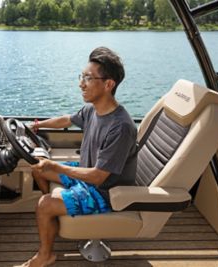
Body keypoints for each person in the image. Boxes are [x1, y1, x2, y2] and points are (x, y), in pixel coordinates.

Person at [18, 47, 138, 267]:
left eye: (88, 78)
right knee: (38, 168)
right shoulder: (93, 109)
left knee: (44, 203)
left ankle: (46, 254)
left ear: (108, 84)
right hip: (88, 174)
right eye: (82, 76)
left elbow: (99, 177)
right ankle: (55, 214)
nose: (81, 83)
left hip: (105, 192)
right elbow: (67, 120)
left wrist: (57, 166)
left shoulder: (120, 127)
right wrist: (35, 126)